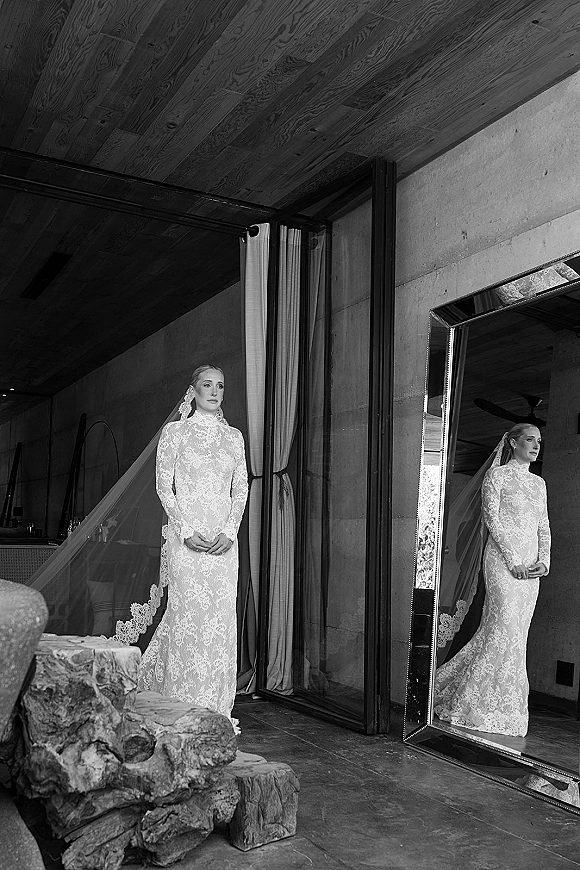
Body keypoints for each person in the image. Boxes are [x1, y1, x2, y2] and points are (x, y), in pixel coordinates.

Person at [138, 364, 248, 732]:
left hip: (222, 547)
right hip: (186, 544)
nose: (214, 392)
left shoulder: (234, 438)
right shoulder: (175, 433)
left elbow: (241, 491)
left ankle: (216, 710)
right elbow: (163, 486)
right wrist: (183, 530)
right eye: (207, 385)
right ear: (193, 390)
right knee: (186, 619)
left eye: (220, 385)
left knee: (219, 623)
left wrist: (230, 532)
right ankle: (179, 706)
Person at [434, 423, 550, 737]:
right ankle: (473, 704)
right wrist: (513, 561)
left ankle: (505, 709)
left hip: (531, 571)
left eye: (539, 441)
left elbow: (543, 526)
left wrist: (544, 561)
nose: (536, 445)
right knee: (504, 629)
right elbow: (492, 520)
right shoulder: (497, 476)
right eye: (529, 439)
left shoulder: (539, 484)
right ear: (513, 443)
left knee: (515, 637)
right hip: (502, 563)